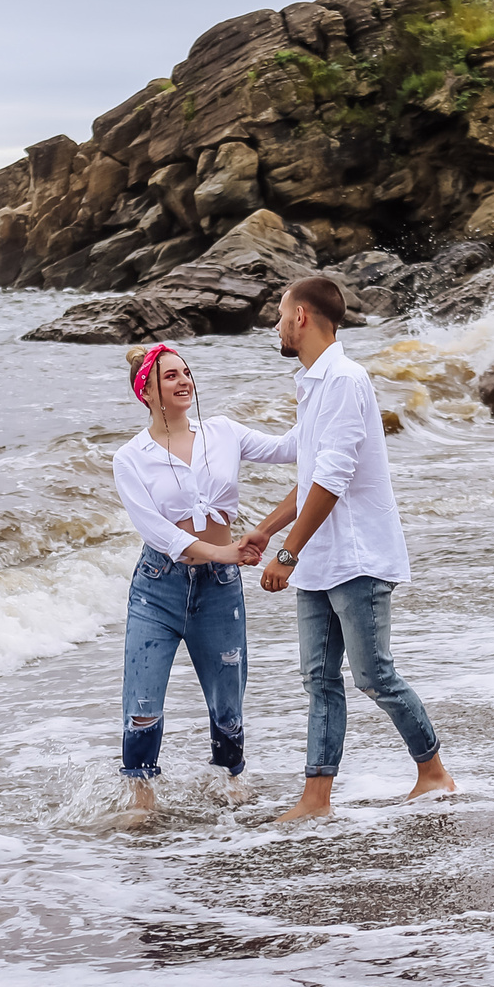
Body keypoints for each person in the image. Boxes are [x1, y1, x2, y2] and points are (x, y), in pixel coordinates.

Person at [243, 276, 456, 821]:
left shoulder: (343, 379)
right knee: (318, 678)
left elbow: (332, 479)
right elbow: (308, 464)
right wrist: (266, 531)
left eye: (280, 312)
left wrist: (285, 555)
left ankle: (433, 773)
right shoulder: (313, 381)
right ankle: (316, 798)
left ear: (301, 318)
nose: (275, 323)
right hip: (321, 558)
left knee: (373, 675)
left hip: (356, 555)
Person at [108, 343, 295, 823]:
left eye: (187, 372)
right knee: (143, 705)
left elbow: (288, 449)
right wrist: (221, 550)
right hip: (158, 587)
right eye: (171, 376)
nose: (184, 381)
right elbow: (155, 529)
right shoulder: (131, 457)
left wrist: (325, 400)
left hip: (220, 588)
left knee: (228, 706)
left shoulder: (223, 432)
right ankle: (141, 799)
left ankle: (229, 779)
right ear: (146, 391)